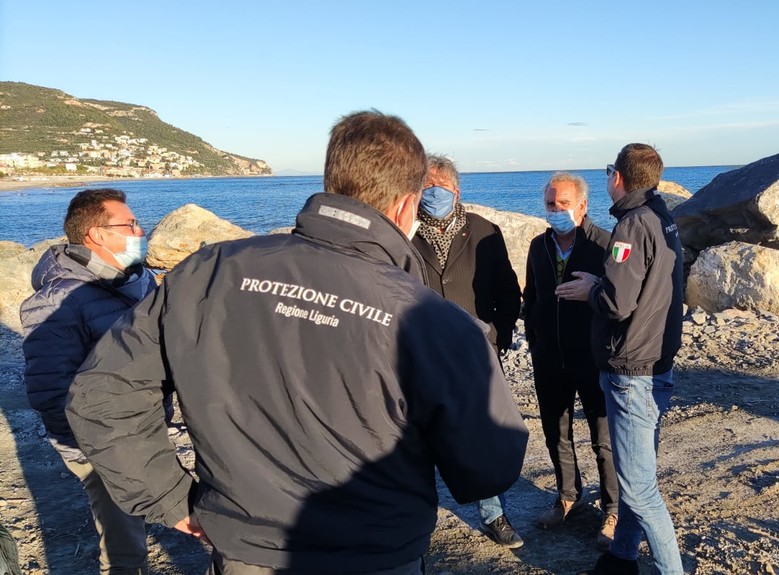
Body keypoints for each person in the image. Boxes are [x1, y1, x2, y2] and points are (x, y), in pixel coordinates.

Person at [65, 111, 529, 575]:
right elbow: (488, 467)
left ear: (333, 181)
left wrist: (168, 496)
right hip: (377, 551)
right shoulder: (437, 322)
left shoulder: (207, 272)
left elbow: (101, 394)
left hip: (244, 550)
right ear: (408, 205)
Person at [556, 144, 686, 575]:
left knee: (641, 490)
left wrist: (590, 289)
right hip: (656, 361)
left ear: (618, 177)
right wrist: (603, 281)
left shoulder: (631, 225)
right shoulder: (663, 217)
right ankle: (622, 558)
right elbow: (645, 286)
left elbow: (616, 302)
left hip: (632, 369)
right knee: (636, 476)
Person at [20, 188, 157, 575]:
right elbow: (50, 390)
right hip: (102, 442)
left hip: (143, 428)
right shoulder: (57, 301)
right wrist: (91, 451)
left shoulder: (138, 281)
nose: (140, 231)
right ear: (97, 234)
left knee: (143, 515)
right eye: (130, 224)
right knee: (124, 548)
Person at [410, 154, 525, 549]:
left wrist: (498, 335)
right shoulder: (404, 233)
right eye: (426, 186)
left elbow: (508, 292)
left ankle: (493, 514)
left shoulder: (483, 231)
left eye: (440, 186)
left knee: (480, 434)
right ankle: (416, 516)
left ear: (456, 191)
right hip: (420, 353)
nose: (433, 193)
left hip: (476, 353)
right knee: (416, 437)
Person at [523, 172, 618, 548]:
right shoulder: (538, 246)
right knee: (556, 433)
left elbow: (619, 300)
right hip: (549, 358)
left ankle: (613, 509)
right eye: (550, 204)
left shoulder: (604, 244)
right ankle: (567, 496)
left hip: (593, 358)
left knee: (603, 439)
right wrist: (534, 339)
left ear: (582, 206)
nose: (556, 210)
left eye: (563, 203)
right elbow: (531, 296)